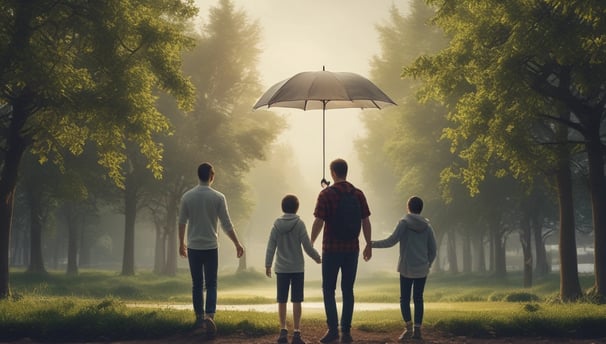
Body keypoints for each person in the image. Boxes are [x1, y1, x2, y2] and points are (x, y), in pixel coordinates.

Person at [178, 162, 244, 338]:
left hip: (193, 246)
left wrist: (181, 243)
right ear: (212, 176)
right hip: (210, 247)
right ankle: (210, 316)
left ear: (198, 175)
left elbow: (182, 222)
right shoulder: (218, 197)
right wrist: (237, 243)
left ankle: (199, 318)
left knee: (197, 284)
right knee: (212, 283)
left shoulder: (187, 197)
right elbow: (226, 224)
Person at [311, 158, 372, 344]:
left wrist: (310, 243)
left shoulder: (326, 194)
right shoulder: (358, 194)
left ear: (332, 173)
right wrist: (368, 244)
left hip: (331, 248)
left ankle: (332, 330)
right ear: (346, 171)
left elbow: (319, 221)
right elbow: (365, 221)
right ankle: (346, 331)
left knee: (328, 289)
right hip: (352, 249)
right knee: (348, 289)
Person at [371, 196, 437, 341]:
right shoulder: (427, 226)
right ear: (421, 208)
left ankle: (408, 328)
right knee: (418, 298)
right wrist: (428, 263)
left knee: (404, 299)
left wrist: (372, 244)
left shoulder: (404, 223)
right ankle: (418, 330)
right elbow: (433, 249)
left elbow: (391, 241)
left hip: (406, 268)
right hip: (422, 269)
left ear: (408, 207)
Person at [265, 194, 322, 344]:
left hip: (281, 268)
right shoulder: (300, 224)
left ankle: (283, 330)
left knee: (281, 300)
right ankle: (297, 332)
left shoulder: (276, 225)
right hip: (297, 268)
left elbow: (271, 246)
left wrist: (268, 264)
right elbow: (307, 246)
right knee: (297, 300)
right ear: (297, 208)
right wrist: (316, 257)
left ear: (283, 207)